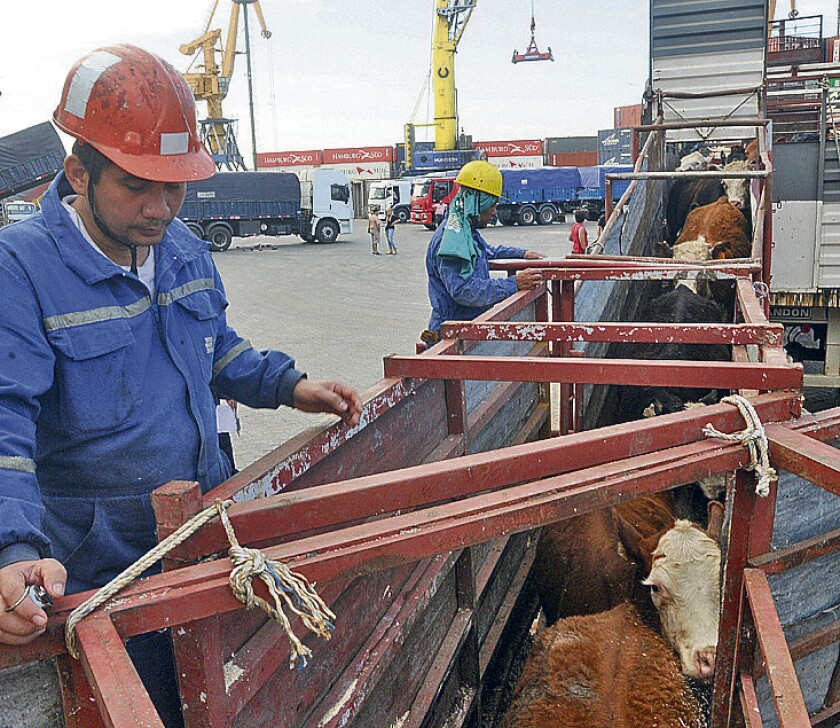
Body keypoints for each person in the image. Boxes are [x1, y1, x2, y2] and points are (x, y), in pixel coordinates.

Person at [0, 45, 362, 727]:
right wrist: (12, 550)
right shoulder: (20, 271)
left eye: (174, 187)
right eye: (137, 185)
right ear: (79, 173)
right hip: (101, 574)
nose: (160, 208)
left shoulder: (183, 248)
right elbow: (4, 422)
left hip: (202, 539)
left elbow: (215, 348)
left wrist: (289, 385)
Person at [422, 160, 545, 347]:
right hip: (452, 335)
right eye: (492, 205)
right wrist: (514, 283)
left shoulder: (465, 231)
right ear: (478, 203)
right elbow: (464, 291)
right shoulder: (451, 240)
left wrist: (523, 253)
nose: (494, 212)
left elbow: (488, 251)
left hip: (468, 328)